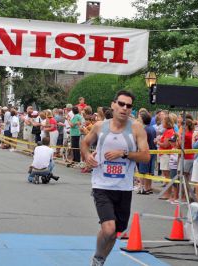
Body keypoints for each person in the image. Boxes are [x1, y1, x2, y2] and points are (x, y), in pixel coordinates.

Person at [81, 90, 150, 266]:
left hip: (124, 187)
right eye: (121, 104)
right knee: (109, 228)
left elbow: (145, 156)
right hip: (101, 185)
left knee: (115, 231)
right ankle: (97, 257)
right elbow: (85, 143)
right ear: (113, 104)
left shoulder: (136, 128)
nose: (124, 108)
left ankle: (101, 259)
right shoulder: (99, 126)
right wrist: (87, 155)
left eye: (128, 106)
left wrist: (124, 153)